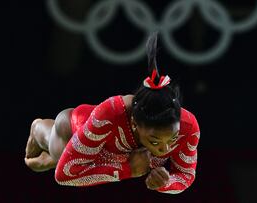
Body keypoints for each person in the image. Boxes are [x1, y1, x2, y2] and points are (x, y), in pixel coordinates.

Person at [24, 32, 200, 194]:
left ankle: (50, 159)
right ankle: (39, 128)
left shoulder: (188, 127)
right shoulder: (111, 113)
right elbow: (65, 175)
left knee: (49, 164)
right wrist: (128, 170)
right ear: (133, 124)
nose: (165, 149)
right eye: (154, 140)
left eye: (172, 139)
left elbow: (186, 176)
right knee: (54, 158)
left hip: (105, 156)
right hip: (71, 131)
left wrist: (165, 183)